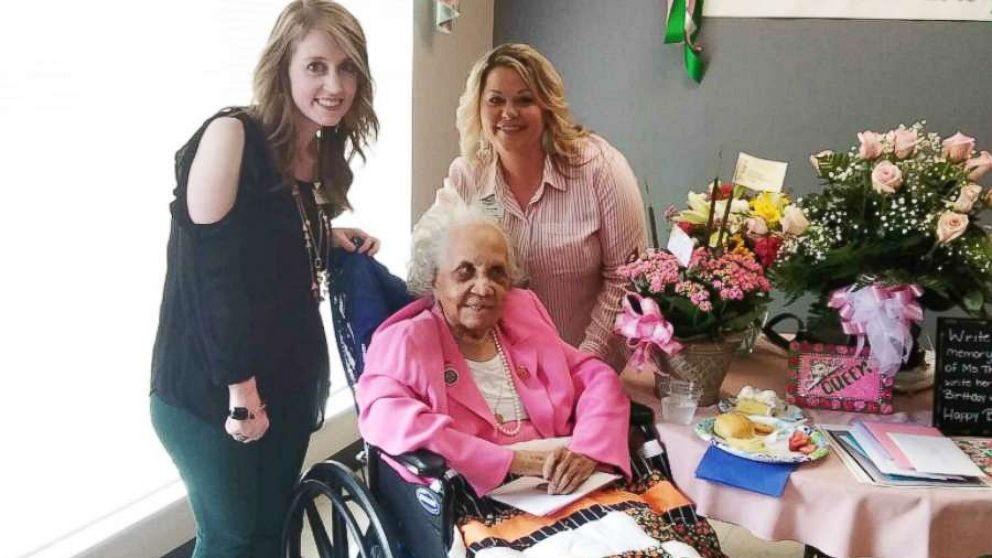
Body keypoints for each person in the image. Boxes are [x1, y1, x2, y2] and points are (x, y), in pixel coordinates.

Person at [356, 195, 724, 558]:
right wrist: (508, 461)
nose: (483, 288)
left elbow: (595, 376)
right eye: (465, 272)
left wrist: (587, 448)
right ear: (434, 278)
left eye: (497, 273)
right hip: (479, 500)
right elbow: (383, 417)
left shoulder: (521, 313)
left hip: (568, 481)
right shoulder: (405, 340)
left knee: (671, 545)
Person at [150, 2, 379, 556]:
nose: (334, 84)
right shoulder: (232, 135)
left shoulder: (313, 149)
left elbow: (268, 242)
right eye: (317, 66)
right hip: (211, 390)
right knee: (230, 540)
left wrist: (327, 235)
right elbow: (213, 272)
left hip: (286, 383)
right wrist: (240, 390)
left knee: (271, 532)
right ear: (284, 66)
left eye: (348, 68)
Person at [445, 43, 647, 371]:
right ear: (478, 108)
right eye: (495, 100)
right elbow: (436, 264)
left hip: (585, 366)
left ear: (547, 106)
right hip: (496, 372)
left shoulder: (601, 168)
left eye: (524, 99)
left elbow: (626, 277)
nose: (508, 113)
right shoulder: (467, 174)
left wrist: (584, 362)